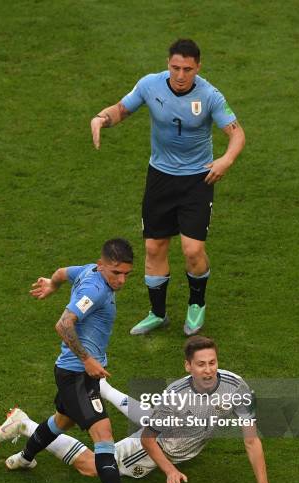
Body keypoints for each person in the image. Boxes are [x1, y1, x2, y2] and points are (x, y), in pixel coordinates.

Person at [0, 336, 288, 483]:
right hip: (156, 446)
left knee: (154, 414)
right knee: (92, 467)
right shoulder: (177, 394)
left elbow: (251, 439)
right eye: (200, 364)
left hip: (177, 430)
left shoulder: (236, 386)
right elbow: (147, 438)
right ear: (188, 366)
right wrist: (169, 470)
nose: (208, 370)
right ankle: (25, 423)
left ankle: (101, 389)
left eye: (212, 362)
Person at [91, 39, 245, 336]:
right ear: (168, 64)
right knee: (153, 246)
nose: (180, 74)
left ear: (198, 67)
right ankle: (157, 313)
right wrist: (101, 119)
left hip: (198, 179)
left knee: (192, 249)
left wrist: (226, 160)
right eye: (175, 67)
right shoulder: (150, 85)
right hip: (160, 177)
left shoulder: (211, 96)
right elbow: (122, 109)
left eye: (187, 69)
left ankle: (196, 305)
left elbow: (237, 134)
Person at [0, 238, 145, 483]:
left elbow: (62, 271)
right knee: (104, 434)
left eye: (126, 274)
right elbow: (63, 324)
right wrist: (87, 359)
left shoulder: (88, 271)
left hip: (75, 373)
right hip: (77, 375)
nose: (121, 280)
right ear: (102, 266)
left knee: (62, 421)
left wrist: (52, 282)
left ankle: (24, 458)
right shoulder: (94, 289)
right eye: (116, 273)